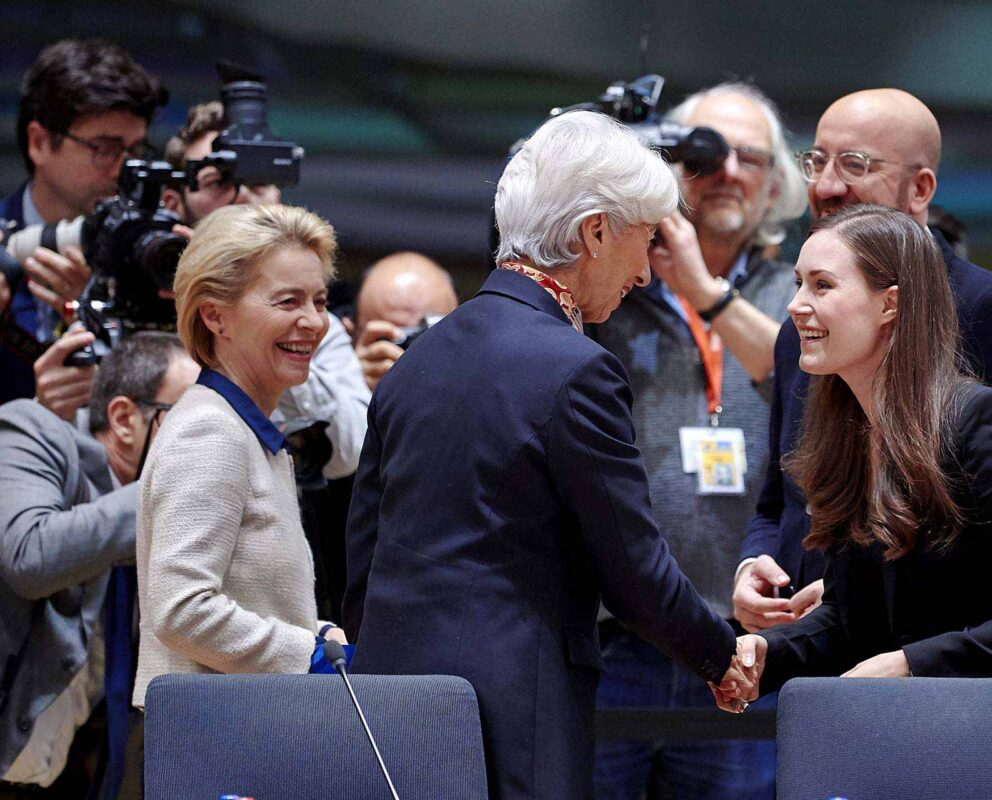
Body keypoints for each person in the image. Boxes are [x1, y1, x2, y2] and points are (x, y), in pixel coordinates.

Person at [343, 111, 742, 800]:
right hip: (513, 714)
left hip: (390, 703)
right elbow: (634, 569)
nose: (645, 273)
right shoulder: (577, 369)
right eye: (643, 241)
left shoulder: (416, 361)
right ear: (594, 232)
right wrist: (722, 655)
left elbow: (364, 558)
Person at [734, 88, 992, 635]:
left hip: (931, 663)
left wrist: (867, 583)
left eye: (854, 165)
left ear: (920, 189)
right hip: (812, 648)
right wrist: (753, 564)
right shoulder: (799, 330)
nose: (826, 185)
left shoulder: (984, 308)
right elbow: (780, 497)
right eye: (817, 160)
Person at [720, 204, 992, 707]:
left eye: (822, 286)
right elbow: (854, 617)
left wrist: (913, 664)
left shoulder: (979, 420)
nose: (796, 305)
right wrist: (766, 651)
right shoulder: (846, 430)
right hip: (913, 733)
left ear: (890, 304)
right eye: (798, 283)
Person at [587, 82, 805, 800]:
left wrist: (702, 286)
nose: (730, 171)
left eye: (752, 157)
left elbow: (808, 383)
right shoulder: (608, 286)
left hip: (745, 641)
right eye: (707, 152)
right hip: (618, 636)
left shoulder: (799, 292)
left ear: (776, 182)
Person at [132, 204, 346, 710]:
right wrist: (310, 656)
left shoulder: (242, 429)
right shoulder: (211, 431)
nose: (313, 321)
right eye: (287, 300)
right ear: (215, 315)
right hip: (213, 744)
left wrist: (320, 634)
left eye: (319, 300)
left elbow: (251, 602)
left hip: (241, 731)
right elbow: (181, 610)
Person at [0, 333, 197, 798]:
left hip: (71, 773)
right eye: (191, 423)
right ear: (125, 419)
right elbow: (31, 557)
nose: (207, 444)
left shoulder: (184, 522)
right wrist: (160, 491)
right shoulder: (31, 430)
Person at [2, 38, 166, 406]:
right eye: (104, 148)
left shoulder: (149, 256)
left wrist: (92, 311)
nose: (123, 168)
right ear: (39, 143)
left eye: (135, 150)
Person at [353, 251, 458, 391]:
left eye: (429, 335)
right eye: (397, 339)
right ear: (351, 334)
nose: (412, 357)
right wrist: (353, 384)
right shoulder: (342, 384)